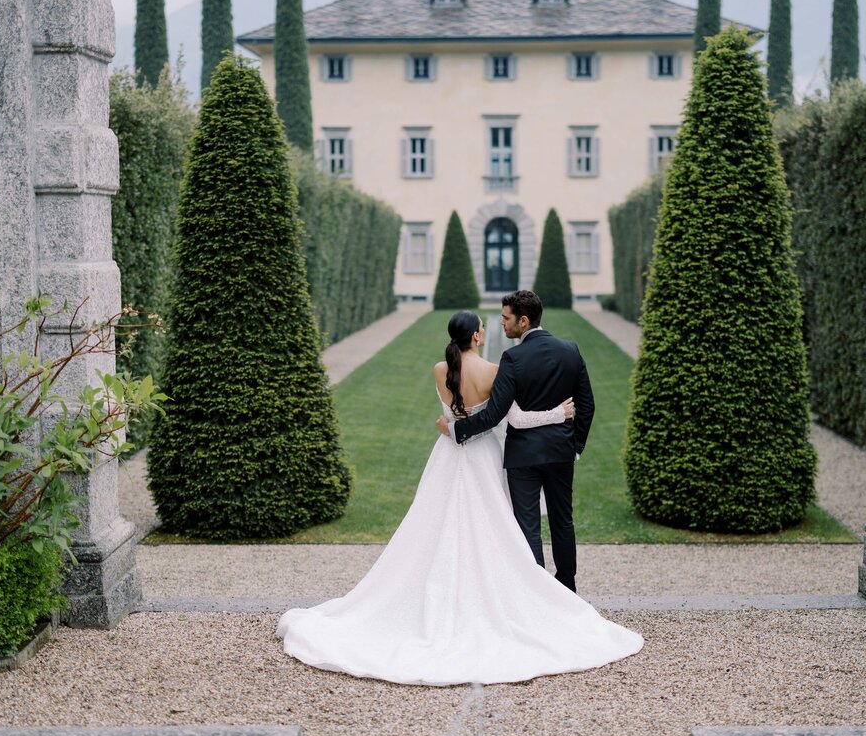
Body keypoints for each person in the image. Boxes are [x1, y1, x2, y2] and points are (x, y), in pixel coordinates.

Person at [275, 310, 641, 686]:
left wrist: (451, 427)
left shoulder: (440, 369)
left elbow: (452, 414)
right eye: (484, 327)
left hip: (447, 454)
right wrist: (557, 413)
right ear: (477, 337)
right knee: (495, 524)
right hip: (481, 455)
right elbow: (513, 419)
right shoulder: (493, 371)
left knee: (435, 520)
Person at [439, 290, 592, 593]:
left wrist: (456, 429)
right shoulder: (570, 350)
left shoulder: (513, 358)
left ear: (523, 321)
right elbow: (587, 405)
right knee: (563, 521)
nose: (502, 323)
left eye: (506, 318)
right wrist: (575, 446)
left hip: (523, 456)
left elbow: (494, 415)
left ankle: (536, 592)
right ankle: (567, 588)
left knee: (528, 526)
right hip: (561, 452)